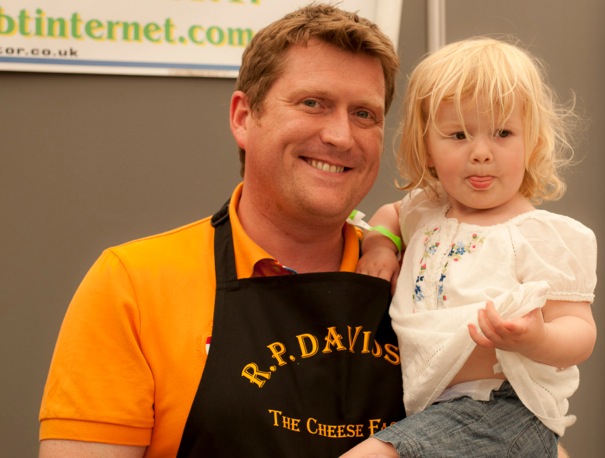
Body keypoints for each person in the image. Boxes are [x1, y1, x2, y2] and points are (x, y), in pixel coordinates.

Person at [38, 4, 404, 457]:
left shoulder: (426, 280)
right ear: (243, 118)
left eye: (364, 115)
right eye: (313, 103)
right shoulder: (132, 285)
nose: (341, 136)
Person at [342, 37, 597, 457]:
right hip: (437, 407)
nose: (481, 153)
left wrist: (537, 338)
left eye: (503, 133)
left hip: (502, 407)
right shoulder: (425, 211)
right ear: (427, 147)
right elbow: (389, 214)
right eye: (458, 135)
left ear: (532, 141)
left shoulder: (542, 235)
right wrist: (380, 248)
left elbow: (580, 330)